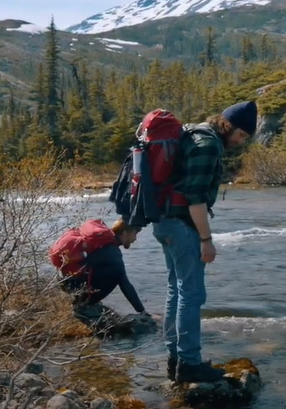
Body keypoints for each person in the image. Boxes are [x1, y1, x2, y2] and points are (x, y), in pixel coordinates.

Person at [154, 100, 256, 383]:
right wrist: (206, 240)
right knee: (192, 294)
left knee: (176, 289)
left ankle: (175, 360)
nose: (240, 141)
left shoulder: (192, 133)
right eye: (241, 135)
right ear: (229, 126)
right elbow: (195, 198)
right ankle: (188, 364)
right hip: (181, 225)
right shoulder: (208, 145)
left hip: (165, 221)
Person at [59, 218, 150, 324]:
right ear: (125, 233)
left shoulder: (104, 244)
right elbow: (125, 285)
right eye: (134, 234)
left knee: (114, 270)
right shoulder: (113, 252)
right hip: (76, 286)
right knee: (117, 273)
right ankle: (85, 305)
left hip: (67, 283)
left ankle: (82, 302)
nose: (135, 239)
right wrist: (142, 311)